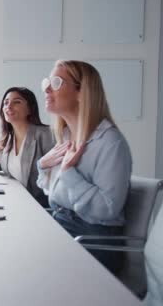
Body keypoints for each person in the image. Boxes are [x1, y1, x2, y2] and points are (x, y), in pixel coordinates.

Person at [36, 60, 132, 273]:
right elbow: (55, 195)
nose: (46, 88)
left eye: (56, 82)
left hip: (94, 239)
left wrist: (69, 173)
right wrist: (43, 166)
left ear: (82, 92)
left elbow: (107, 210)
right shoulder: (68, 137)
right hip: (64, 224)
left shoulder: (111, 142)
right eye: (46, 82)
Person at [0, 87, 54, 207]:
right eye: (6, 103)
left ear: (30, 109)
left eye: (17, 102)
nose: (9, 106)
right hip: (16, 203)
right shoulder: (6, 140)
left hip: (41, 208)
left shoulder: (47, 135)